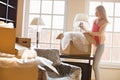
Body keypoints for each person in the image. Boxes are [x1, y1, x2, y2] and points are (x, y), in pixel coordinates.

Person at [79, 5, 108, 80]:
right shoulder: (95, 21)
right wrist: (83, 28)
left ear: (101, 12)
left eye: (96, 11)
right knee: (95, 66)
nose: (95, 13)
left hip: (100, 45)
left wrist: (89, 32)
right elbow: (92, 32)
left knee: (95, 66)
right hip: (95, 45)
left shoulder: (105, 22)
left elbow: (99, 33)